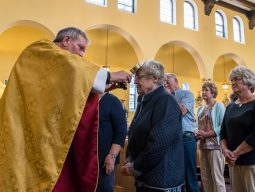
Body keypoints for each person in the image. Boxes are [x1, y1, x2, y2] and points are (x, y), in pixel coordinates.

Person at [0, 27, 131, 191]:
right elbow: (72, 67)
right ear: (66, 40)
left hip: (41, 139)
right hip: (21, 131)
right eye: (80, 47)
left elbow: (68, 97)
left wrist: (102, 88)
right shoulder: (41, 49)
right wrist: (109, 75)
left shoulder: (57, 67)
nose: (82, 55)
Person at [121, 60, 184, 192]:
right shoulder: (145, 100)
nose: (135, 81)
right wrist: (130, 158)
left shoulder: (166, 101)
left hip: (162, 178)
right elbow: (134, 133)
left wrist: (136, 167)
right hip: (146, 176)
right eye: (135, 77)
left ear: (155, 78)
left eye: (139, 77)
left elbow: (158, 143)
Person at [220, 66, 255, 192]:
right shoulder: (231, 107)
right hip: (235, 162)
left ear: (248, 81)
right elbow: (223, 132)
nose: (232, 82)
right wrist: (225, 150)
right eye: (231, 80)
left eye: (236, 79)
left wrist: (235, 153)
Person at [166, 73, 199, 192]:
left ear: (175, 80)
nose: (165, 84)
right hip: (172, 138)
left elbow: (182, 111)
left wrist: (169, 96)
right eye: (164, 82)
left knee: (190, 175)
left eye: (167, 81)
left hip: (186, 138)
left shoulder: (186, 93)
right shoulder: (166, 96)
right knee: (175, 174)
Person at [195, 82, 226, 192]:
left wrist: (207, 134)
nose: (203, 92)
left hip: (215, 146)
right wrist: (196, 132)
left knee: (217, 177)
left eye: (206, 90)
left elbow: (223, 126)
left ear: (212, 92)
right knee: (205, 178)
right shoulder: (200, 108)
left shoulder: (219, 106)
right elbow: (196, 125)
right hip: (203, 146)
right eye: (202, 89)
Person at [97, 91, 127, 192]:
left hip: (105, 160)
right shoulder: (87, 100)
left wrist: (112, 156)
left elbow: (121, 132)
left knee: (104, 188)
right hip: (88, 159)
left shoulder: (113, 101)